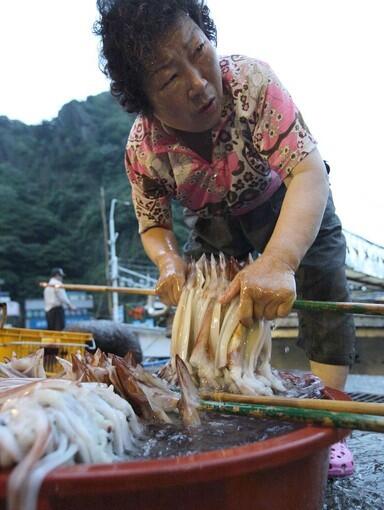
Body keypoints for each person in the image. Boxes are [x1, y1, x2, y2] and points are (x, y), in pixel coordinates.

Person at [94, 0, 356, 476]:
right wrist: (169, 263)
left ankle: (329, 422)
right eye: (171, 78)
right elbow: (154, 224)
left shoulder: (253, 83)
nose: (198, 83)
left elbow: (309, 173)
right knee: (210, 300)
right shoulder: (143, 148)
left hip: (285, 197)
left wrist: (280, 259)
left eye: (199, 51)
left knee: (323, 282)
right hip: (211, 215)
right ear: (143, 97)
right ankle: (221, 405)